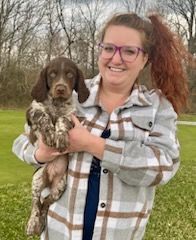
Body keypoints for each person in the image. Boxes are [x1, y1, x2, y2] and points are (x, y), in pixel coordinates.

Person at [12, 12, 189, 240]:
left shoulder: (157, 107)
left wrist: (93, 144)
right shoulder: (72, 94)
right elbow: (21, 143)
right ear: (100, 52)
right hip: (60, 232)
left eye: (129, 51)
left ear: (145, 58)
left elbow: (164, 166)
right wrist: (41, 152)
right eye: (109, 48)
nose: (116, 59)